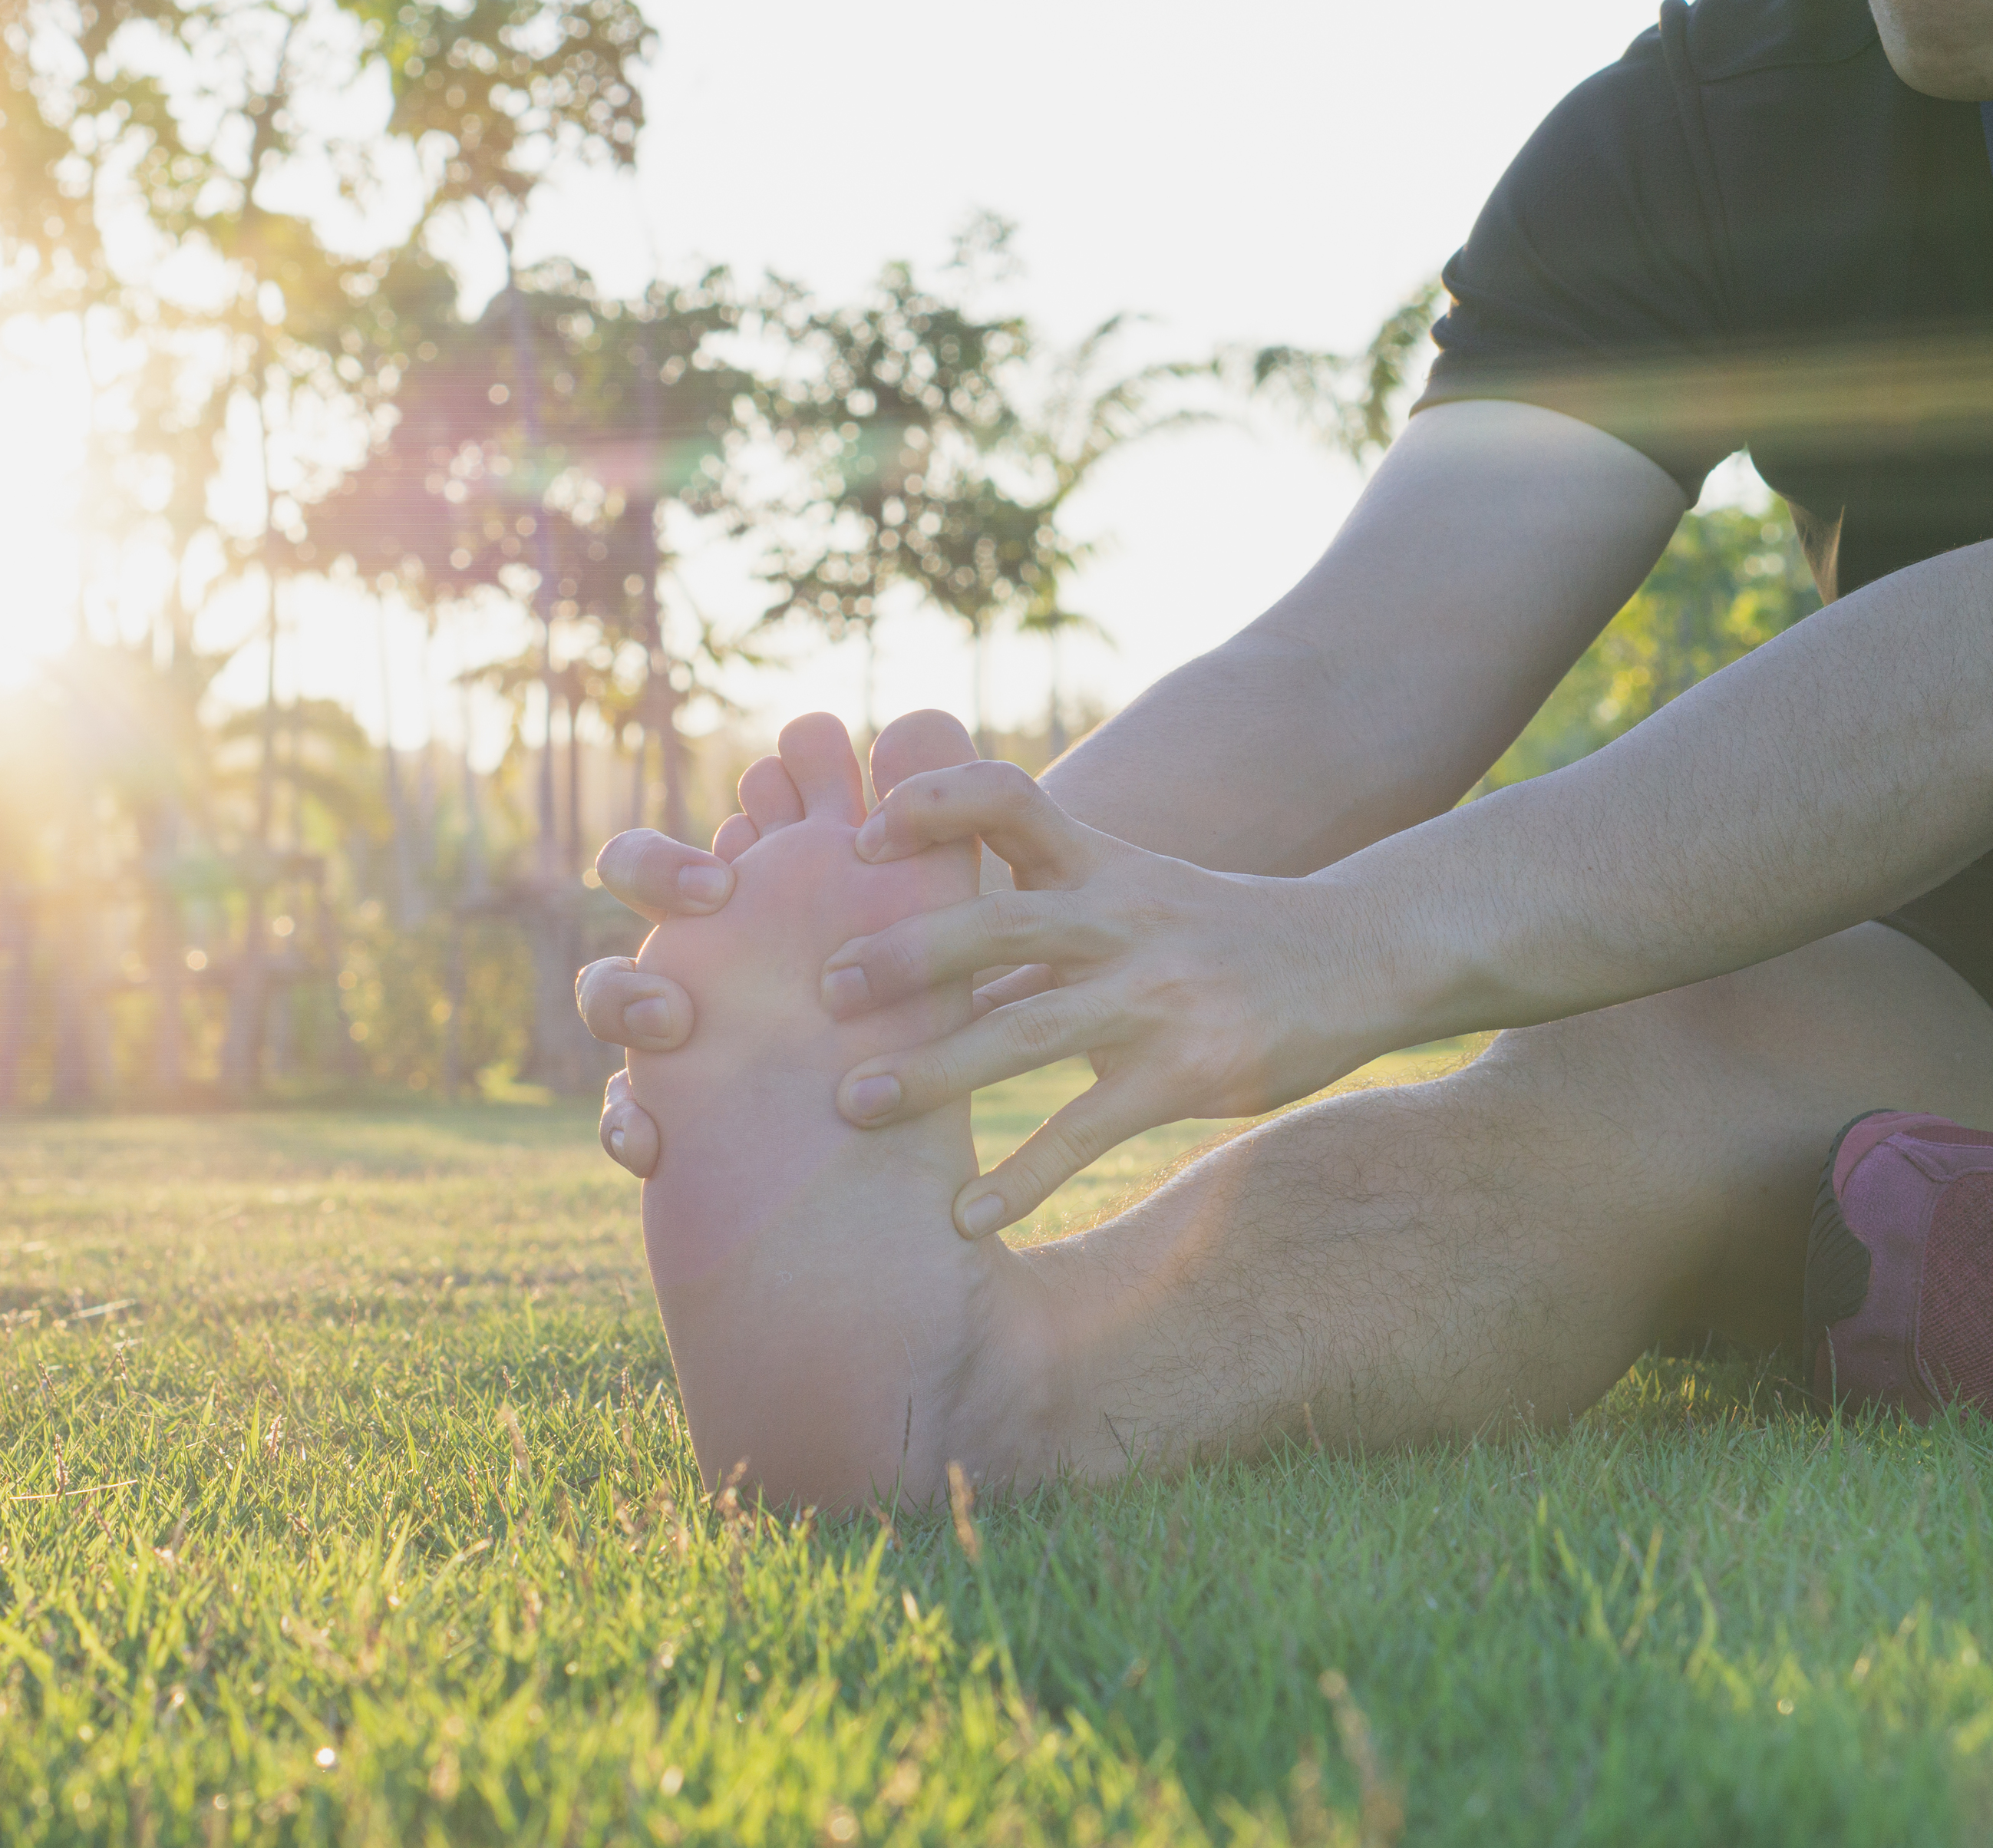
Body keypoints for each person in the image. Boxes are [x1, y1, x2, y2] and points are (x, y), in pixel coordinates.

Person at [576, 0, 1993, 1506]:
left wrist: (1343, 940)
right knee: (1658, 1047)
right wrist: (921, 953)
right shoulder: (1716, 121)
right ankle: (998, 1396)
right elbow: (1345, 673)